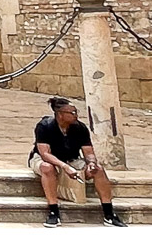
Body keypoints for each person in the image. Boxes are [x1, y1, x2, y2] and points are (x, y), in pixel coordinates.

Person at [29, 96, 124, 227]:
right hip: (46, 158)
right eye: (71, 112)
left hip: (71, 159)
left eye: (76, 112)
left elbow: (88, 152)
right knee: (47, 168)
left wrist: (91, 163)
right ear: (60, 115)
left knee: (99, 170)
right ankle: (53, 212)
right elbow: (45, 153)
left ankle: (109, 213)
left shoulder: (80, 128)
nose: (75, 115)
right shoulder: (44, 126)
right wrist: (64, 167)